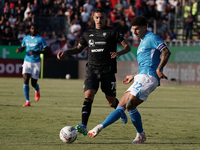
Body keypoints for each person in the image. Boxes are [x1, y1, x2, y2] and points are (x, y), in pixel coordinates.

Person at [88, 16, 171, 144]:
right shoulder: (143, 41)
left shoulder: (152, 38)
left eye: (137, 29)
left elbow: (166, 52)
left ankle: (140, 135)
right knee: (121, 107)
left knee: (130, 104)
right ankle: (100, 127)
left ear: (145, 27)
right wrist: (133, 75)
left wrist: (159, 69)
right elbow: (146, 64)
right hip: (141, 76)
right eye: (133, 30)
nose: (135, 32)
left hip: (149, 77)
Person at [57, 7, 131, 136]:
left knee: (111, 101)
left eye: (101, 17)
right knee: (89, 95)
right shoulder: (87, 34)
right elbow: (78, 49)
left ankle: (120, 111)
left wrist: (119, 53)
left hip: (107, 71)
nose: (99, 20)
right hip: (91, 70)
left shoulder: (112, 31)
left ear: (105, 18)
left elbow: (127, 46)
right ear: (93, 18)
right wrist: (66, 52)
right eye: (97, 17)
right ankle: (84, 125)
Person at [16, 24, 49, 107]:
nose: (33, 30)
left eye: (35, 28)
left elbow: (46, 50)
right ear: (29, 30)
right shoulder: (25, 38)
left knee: (33, 83)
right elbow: (23, 47)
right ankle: (27, 101)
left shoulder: (40, 39)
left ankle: (37, 90)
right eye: (32, 28)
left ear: (37, 30)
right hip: (27, 61)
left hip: (36, 62)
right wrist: (20, 50)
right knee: (25, 79)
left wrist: (36, 52)